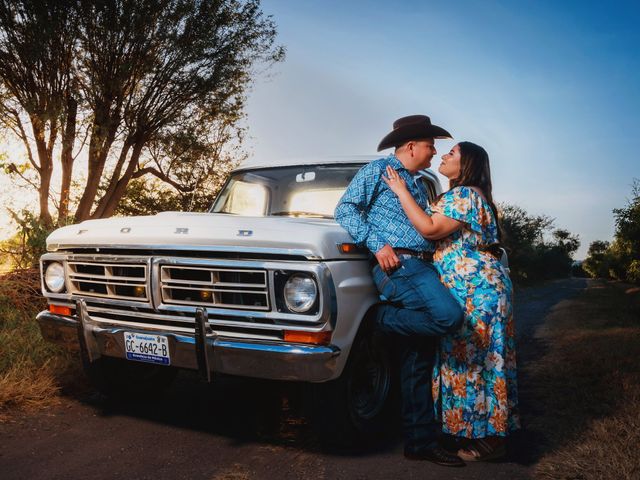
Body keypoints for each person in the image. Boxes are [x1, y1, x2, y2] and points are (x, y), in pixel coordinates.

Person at [335, 115, 465, 467]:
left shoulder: (417, 184)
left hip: (423, 266)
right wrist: (378, 245)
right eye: (429, 144)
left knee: (417, 361)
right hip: (400, 266)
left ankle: (420, 441)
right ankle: (377, 320)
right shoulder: (379, 170)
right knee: (448, 317)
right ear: (411, 145)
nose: (433, 150)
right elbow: (345, 208)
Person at [382, 141, 520, 461]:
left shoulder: (466, 195)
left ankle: (491, 442)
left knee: (480, 365)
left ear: (467, 164)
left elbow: (430, 228)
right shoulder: (465, 195)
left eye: (453, 153)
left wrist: (401, 189)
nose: (444, 155)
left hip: (478, 293)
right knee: (470, 363)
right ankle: (476, 431)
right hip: (473, 291)